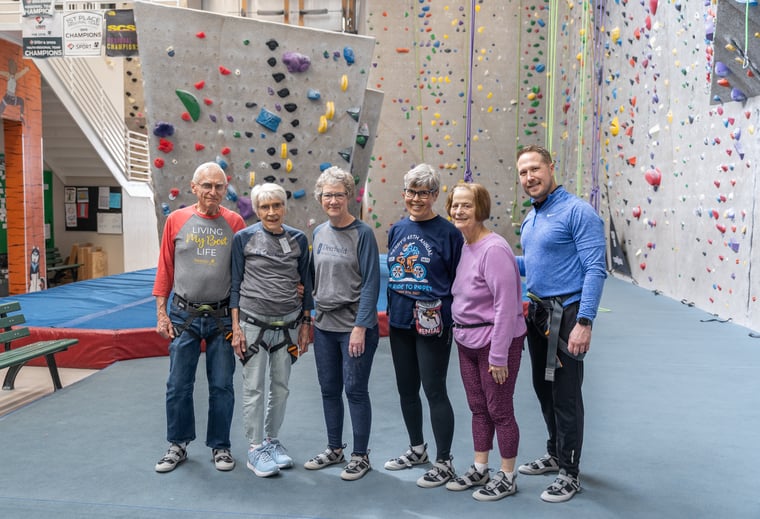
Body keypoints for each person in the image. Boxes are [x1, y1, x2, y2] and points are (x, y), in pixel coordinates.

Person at [514, 145, 606, 503]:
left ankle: (570, 471)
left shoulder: (577, 212)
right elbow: (535, 262)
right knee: (543, 389)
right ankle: (555, 453)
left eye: (535, 169)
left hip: (567, 315)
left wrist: (584, 321)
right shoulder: (534, 214)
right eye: (523, 172)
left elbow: (596, 269)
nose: (529, 177)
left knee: (566, 395)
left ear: (551, 168)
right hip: (537, 313)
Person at [153, 161, 245, 473]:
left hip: (221, 318)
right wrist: (161, 313)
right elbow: (165, 267)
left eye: (219, 186)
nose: (213, 192)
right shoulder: (176, 220)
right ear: (194, 188)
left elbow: (244, 272)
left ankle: (220, 446)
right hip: (183, 316)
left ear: (226, 189)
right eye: (206, 185)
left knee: (222, 385)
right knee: (178, 384)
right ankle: (177, 444)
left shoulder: (235, 223)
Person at [444, 183, 527, 501]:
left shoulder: (494, 249)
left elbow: (507, 307)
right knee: (478, 408)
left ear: (481, 209)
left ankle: (507, 475)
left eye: (466, 205)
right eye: (455, 205)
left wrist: (499, 355)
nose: (459, 211)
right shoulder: (467, 245)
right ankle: (481, 466)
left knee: (500, 410)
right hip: (466, 341)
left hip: (494, 343)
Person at [385, 163, 463, 488]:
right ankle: (417, 449)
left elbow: (460, 281)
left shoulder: (449, 234)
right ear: (404, 194)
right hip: (400, 320)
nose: (417, 198)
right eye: (412, 192)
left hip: (434, 322)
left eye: (425, 193)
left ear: (435, 195)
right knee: (406, 389)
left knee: (434, 389)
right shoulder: (397, 229)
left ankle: (444, 461)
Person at [229, 183, 313, 478]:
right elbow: (235, 284)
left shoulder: (299, 239)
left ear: (285, 207)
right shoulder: (244, 239)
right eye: (265, 207)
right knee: (253, 387)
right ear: (256, 210)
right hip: (252, 325)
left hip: (288, 325)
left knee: (281, 387)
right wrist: (235, 327)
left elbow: (307, 286)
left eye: (276, 205)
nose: (271, 212)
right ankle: (255, 448)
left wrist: (305, 323)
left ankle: (271, 440)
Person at [304, 166, 381, 481]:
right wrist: (306, 312)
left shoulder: (362, 234)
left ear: (349, 196)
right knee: (329, 389)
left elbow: (371, 284)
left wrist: (360, 327)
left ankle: (360, 456)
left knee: (355, 390)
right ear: (320, 198)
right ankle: (334, 448)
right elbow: (312, 276)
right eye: (327, 195)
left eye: (338, 194)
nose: (333, 200)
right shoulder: (319, 232)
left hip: (353, 327)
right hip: (324, 326)